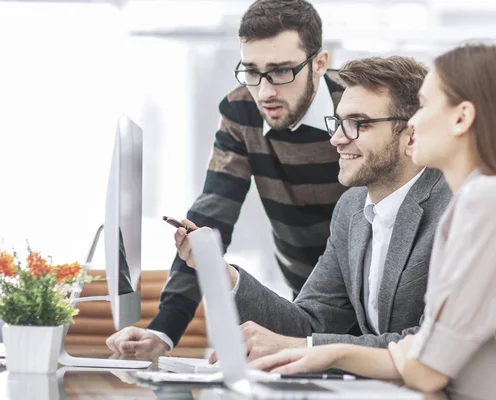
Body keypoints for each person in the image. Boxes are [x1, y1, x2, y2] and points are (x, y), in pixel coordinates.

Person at [249, 44, 496, 400]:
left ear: (462, 118)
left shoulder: (489, 200)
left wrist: (329, 352)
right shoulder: (483, 198)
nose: (413, 122)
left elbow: (428, 366)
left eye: (426, 105)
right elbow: (426, 351)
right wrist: (319, 351)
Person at [106, 0, 348, 353]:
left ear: (320, 63)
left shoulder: (359, 109)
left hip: (370, 290)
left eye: (281, 71)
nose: (265, 92)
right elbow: (211, 216)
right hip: (307, 296)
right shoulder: (241, 110)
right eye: (252, 71)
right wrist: (164, 330)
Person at [174, 55, 452, 363]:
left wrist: (305, 349)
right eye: (338, 122)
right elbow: (306, 324)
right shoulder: (352, 209)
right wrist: (222, 273)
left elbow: (429, 343)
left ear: (410, 134)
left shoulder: (455, 209)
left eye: (357, 124)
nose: (336, 139)